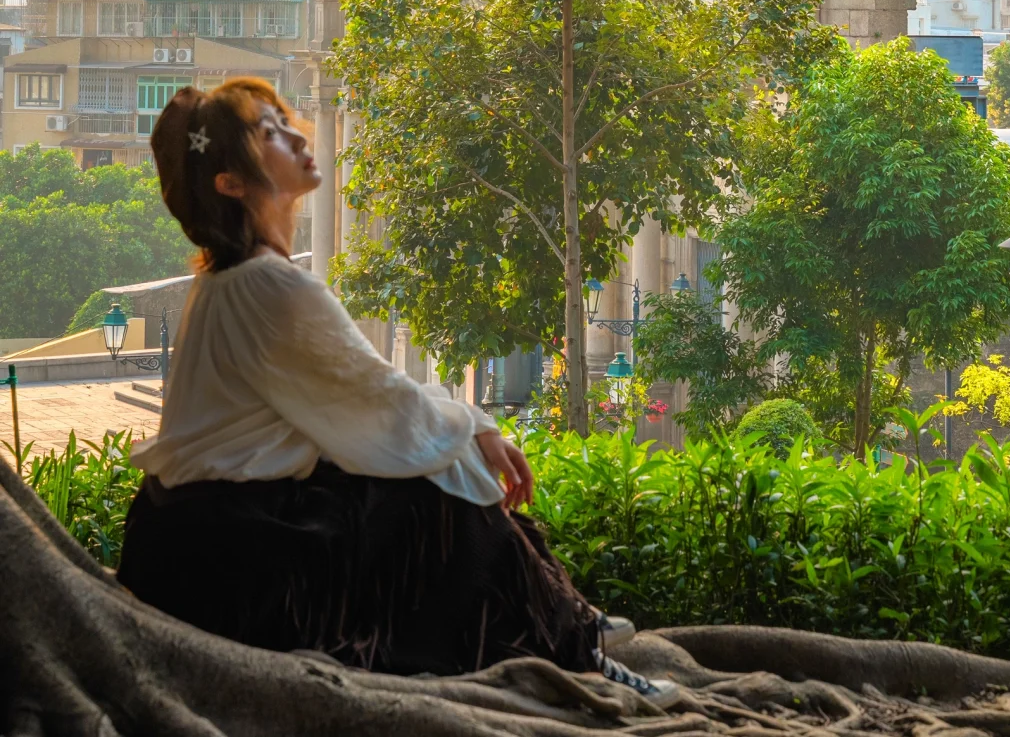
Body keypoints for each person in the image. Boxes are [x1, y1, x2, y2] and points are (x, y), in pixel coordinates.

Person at [117, 78, 674, 703]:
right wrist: (477, 428)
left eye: (284, 120)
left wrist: (464, 429)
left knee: (430, 476)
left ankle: (565, 631)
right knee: (440, 497)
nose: (298, 135)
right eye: (269, 132)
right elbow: (382, 401)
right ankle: (573, 652)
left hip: (186, 544)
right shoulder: (267, 286)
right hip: (227, 556)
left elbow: (364, 401)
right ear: (231, 181)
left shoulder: (230, 281)